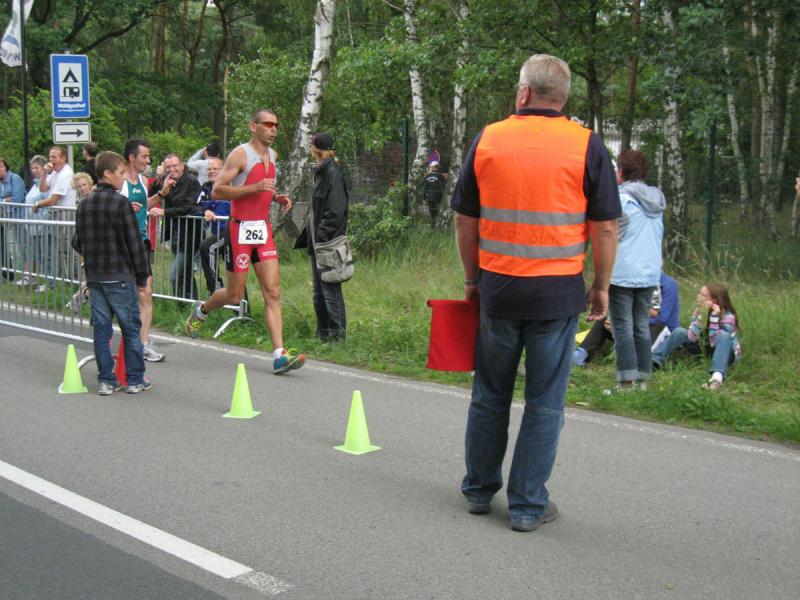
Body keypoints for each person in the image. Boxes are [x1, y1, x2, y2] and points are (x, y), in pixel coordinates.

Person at [452, 54, 620, 532]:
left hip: (499, 290)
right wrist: (601, 285)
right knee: (545, 403)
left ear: (524, 93)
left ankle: (479, 490)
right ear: (562, 99)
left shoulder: (489, 138)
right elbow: (606, 227)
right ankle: (527, 506)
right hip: (557, 297)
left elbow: (465, 219)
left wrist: (472, 279)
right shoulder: (586, 145)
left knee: (490, 394)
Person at [185, 108, 305, 375]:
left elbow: (264, 189)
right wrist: (254, 188)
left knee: (273, 291)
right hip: (239, 231)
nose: (273, 129)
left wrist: (277, 197)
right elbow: (218, 190)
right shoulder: (240, 154)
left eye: (276, 125)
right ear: (253, 126)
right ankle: (202, 310)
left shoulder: (273, 155)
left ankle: (279, 355)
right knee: (234, 295)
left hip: (262, 230)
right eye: (268, 124)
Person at [72, 151, 151, 395]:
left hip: (95, 277)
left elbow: (77, 242)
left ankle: (106, 380)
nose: (124, 177)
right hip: (120, 275)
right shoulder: (121, 203)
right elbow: (134, 243)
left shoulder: (84, 204)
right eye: (121, 172)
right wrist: (142, 274)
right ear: (107, 173)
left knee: (102, 330)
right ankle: (135, 379)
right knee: (131, 329)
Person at [607, 149, 665, 391]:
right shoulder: (657, 200)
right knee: (641, 325)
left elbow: (611, 234)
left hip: (623, 271)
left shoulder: (620, 199)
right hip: (650, 271)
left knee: (622, 326)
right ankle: (643, 380)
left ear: (621, 171)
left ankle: (626, 383)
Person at [294, 132, 349, 342]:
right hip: (317, 245)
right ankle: (323, 335)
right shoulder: (320, 172)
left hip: (327, 245)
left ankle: (337, 337)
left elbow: (335, 212)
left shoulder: (332, 174)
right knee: (319, 293)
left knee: (330, 291)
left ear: (316, 149)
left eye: (311, 145)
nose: (310, 148)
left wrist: (321, 237)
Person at [572, 271, 679, 366]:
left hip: (660, 331)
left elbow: (662, 319)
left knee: (657, 326)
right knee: (604, 320)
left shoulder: (668, 284)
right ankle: (581, 354)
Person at [120, 139, 165, 362]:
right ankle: (88, 290)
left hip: (141, 241)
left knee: (146, 292)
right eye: (144, 156)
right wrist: (124, 207)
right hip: (122, 243)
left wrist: (161, 195)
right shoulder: (119, 180)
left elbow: (144, 205)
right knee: (121, 294)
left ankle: (143, 344)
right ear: (132, 157)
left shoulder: (143, 181)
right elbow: (108, 204)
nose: (148, 160)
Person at [652, 283, 742, 391]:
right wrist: (701, 316)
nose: (698, 296)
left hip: (724, 352)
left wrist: (714, 316)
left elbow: (714, 341)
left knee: (724, 335)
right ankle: (653, 361)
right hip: (705, 346)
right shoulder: (700, 311)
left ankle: (717, 377)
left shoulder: (728, 317)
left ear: (714, 301)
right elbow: (692, 337)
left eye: (703, 295)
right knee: (680, 332)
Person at [149, 153, 202, 299]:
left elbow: (190, 207)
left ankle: (183, 303)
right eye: (168, 167)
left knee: (175, 275)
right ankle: (190, 304)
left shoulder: (191, 181)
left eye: (175, 166)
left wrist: (164, 212)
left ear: (182, 166)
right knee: (186, 274)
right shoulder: (167, 180)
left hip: (190, 235)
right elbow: (152, 195)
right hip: (175, 234)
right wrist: (159, 180)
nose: (172, 169)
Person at [33, 146, 79, 289]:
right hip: (56, 214)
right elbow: (43, 189)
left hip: (65, 214)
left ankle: (75, 281)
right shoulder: (55, 172)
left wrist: (38, 204)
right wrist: (44, 174)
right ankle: (65, 281)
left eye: (54, 157)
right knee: (58, 250)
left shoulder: (66, 174)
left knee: (68, 250)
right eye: (50, 156)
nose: (51, 160)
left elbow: (53, 200)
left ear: (63, 158)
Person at [196, 156, 230, 294]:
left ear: (223, 170)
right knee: (232, 270)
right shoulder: (205, 188)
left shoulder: (231, 186)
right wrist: (205, 210)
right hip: (218, 233)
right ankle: (217, 290)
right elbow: (196, 205)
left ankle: (216, 289)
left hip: (231, 231)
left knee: (207, 246)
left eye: (215, 168)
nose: (211, 171)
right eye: (209, 169)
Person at [17, 156, 49, 289]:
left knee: (46, 256)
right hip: (32, 227)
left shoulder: (46, 184)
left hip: (42, 226)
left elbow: (47, 203)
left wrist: (43, 221)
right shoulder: (34, 185)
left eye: (37, 168)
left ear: (43, 168)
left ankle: (49, 283)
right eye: (32, 168)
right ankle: (34, 279)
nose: (34, 171)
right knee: (36, 255)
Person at [0, 157, 26, 281]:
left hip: (19, 217)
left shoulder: (14, 178)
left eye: (1, 166)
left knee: (23, 246)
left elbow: (17, 198)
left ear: (6, 167)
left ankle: (29, 275)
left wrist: (3, 200)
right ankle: (8, 274)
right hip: (6, 217)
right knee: (9, 246)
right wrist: (6, 199)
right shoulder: (1, 182)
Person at [422, 160, 446, 227]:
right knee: (437, 212)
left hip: (429, 197)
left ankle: (433, 226)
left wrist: (424, 197)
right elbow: (443, 186)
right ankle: (436, 226)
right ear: (437, 167)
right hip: (438, 197)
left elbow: (424, 187)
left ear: (431, 167)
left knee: (432, 212)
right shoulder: (440, 175)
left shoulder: (427, 176)